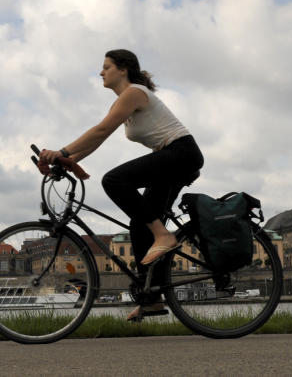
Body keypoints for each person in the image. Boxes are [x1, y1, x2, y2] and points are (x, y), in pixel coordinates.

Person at [38, 49, 204, 321]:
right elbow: (98, 140)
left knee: (114, 180)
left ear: (123, 69)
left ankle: (164, 236)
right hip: (171, 159)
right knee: (140, 224)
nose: (101, 72)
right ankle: (151, 299)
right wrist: (65, 161)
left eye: (106, 67)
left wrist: (62, 151)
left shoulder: (134, 93)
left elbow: (100, 130)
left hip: (180, 154)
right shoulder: (124, 103)